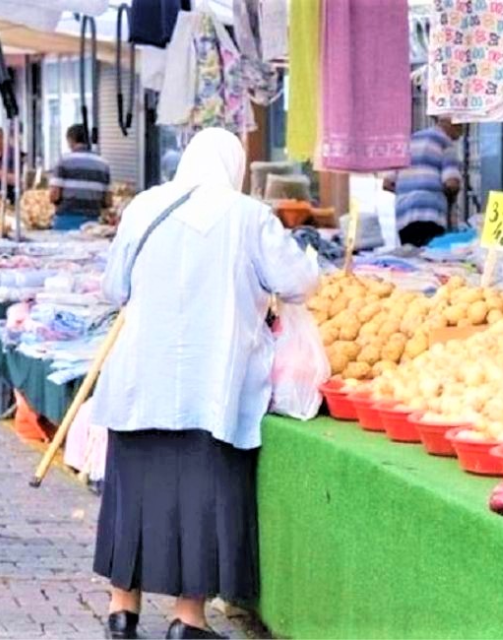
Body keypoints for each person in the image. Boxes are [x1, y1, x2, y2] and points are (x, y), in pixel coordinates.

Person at [92, 128, 318, 640]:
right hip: (214, 381)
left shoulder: (145, 206)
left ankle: (121, 610)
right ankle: (186, 619)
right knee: (200, 498)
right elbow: (297, 284)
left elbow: (112, 288)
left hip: (139, 377)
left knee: (134, 493)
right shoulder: (248, 216)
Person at [389, 117, 464, 247]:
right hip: (431, 212)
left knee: (412, 259)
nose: (461, 134)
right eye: (462, 126)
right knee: (429, 260)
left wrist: (409, 191)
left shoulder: (409, 141)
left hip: (403, 214)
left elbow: (387, 183)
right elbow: (451, 183)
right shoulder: (445, 142)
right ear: (451, 123)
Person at [49, 124, 111, 230]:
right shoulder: (103, 164)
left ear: (70, 140)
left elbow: (55, 195)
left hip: (66, 219)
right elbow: (108, 201)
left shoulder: (63, 161)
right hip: (93, 223)